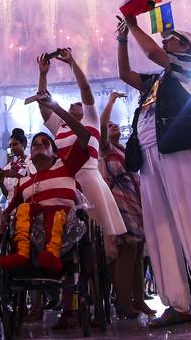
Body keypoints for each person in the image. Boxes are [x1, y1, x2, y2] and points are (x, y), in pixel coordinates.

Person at [117, 15, 191, 327]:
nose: (164, 40)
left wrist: (133, 24)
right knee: (160, 229)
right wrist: (121, 41)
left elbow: (152, 54)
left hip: (179, 151)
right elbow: (125, 73)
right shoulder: (158, 80)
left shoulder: (188, 67)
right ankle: (176, 303)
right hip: (148, 155)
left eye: (171, 37)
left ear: (186, 46)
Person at [0, 95, 94, 273]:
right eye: (35, 144)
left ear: (55, 154)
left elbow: (85, 136)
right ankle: (21, 254)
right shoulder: (23, 182)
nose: (39, 145)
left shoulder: (66, 166)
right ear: (30, 154)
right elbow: (9, 211)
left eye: (45, 143)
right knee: (22, 211)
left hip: (65, 232)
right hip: (32, 236)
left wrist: (57, 109)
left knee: (56, 214)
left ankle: (51, 254)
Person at [34, 49, 127, 239]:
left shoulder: (90, 120)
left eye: (77, 104)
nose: (73, 105)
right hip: (67, 182)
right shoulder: (60, 127)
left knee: (100, 237)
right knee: (73, 240)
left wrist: (72, 63)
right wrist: (43, 74)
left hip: (89, 178)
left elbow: (85, 89)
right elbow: (43, 105)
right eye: (70, 105)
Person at [99, 90, 154, 318]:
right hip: (119, 200)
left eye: (115, 125)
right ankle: (123, 301)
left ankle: (139, 299)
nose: (113, 127)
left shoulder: (124, 150)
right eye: (111, 125)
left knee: (138, 250)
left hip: (134, 199)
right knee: (127, 248)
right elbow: (101, 127)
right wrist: (110, 102)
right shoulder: (106, 150)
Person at [0, 128, 29, 203]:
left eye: (15, 144)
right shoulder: (9, 166)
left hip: (25, 208)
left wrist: (16, 175)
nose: (12, 148)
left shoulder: (31, 161)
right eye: (10, 146)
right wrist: (0, 183)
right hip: (11, 210)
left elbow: (33, 183)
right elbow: (8, 195)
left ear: (23, 144)